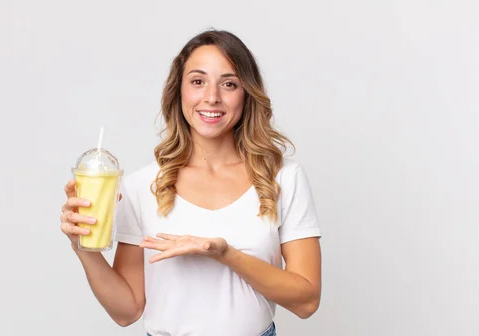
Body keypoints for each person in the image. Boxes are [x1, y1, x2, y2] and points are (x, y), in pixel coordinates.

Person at [59, 29, 322, 336]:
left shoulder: (283, 178)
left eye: (229, 84)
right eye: (198, 82)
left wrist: (225, 254)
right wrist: (83, 249)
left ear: (246, 93)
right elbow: (126, 311)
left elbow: (307, 301)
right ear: (179, 91)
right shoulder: (142, 185)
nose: (212, 97)